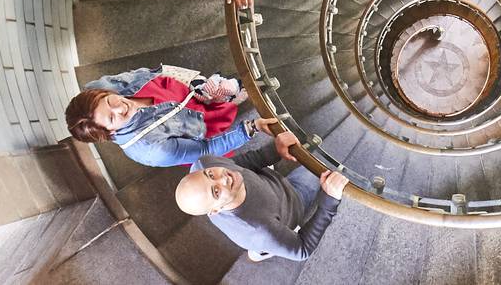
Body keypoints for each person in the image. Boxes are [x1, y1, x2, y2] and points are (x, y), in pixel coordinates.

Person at [174, 130, 351, 262]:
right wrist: (329, 202)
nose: (223, 178)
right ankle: (264, 250)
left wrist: (274, 150)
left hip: (269, 185)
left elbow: (240, 164)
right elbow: (302, 250)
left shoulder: (204, 163)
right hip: (293, 203)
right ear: (215, 210)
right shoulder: (259, 231)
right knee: (322, 168)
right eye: (216, 191)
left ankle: (261, 250)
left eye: (211, 175)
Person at [66, 67, 282, 168]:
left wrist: (193, 81)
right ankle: (234, 100)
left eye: (110, 102)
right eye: (112, 119)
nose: (121, 107)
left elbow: (153, 72)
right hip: (198, 126)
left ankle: (237, 92)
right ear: (110, 132)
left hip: (188, 96)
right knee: (225, 129)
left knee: (225, 89)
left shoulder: (102, 87)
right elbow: (207, 149)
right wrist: (250, 128)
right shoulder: (154, 149)